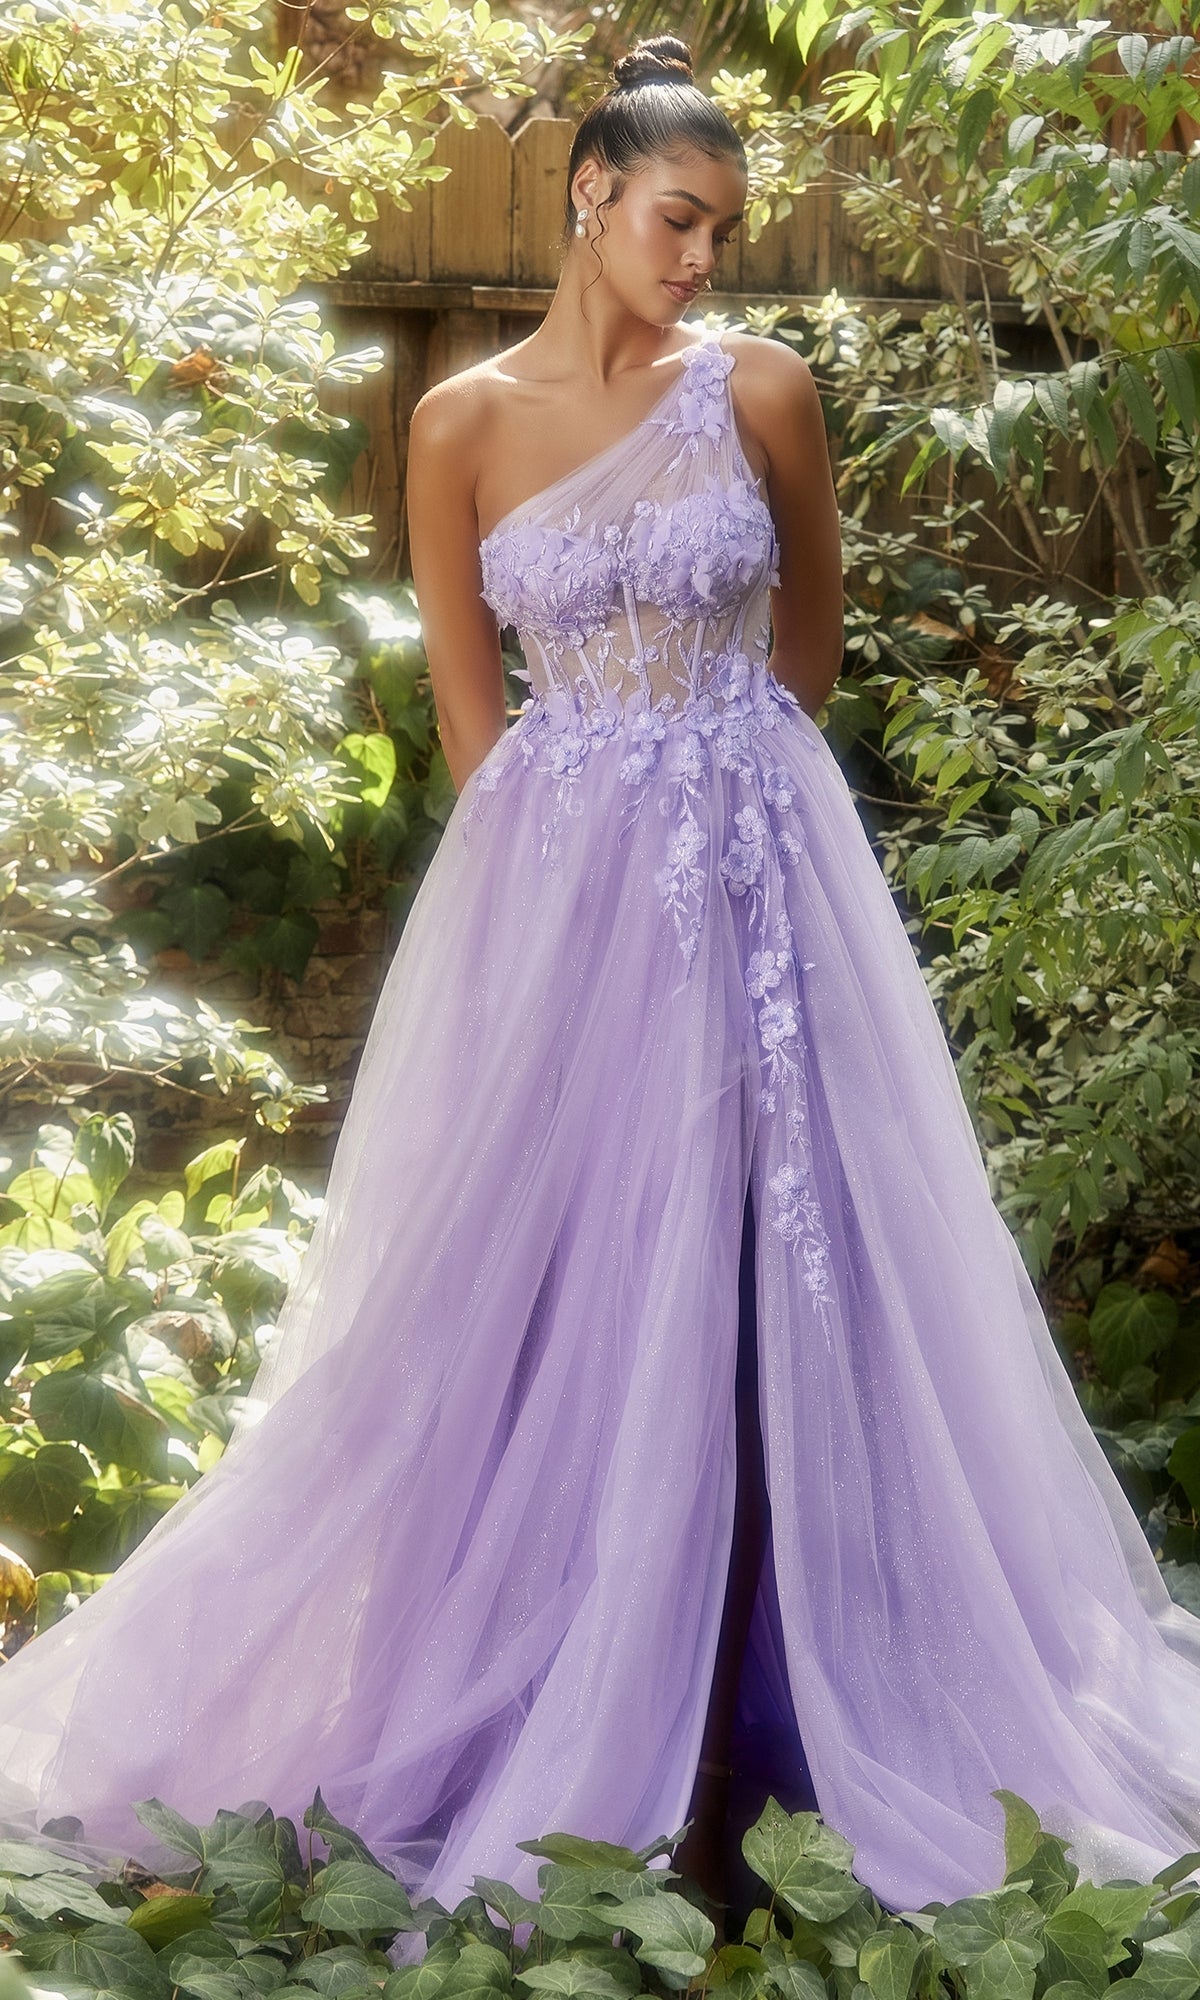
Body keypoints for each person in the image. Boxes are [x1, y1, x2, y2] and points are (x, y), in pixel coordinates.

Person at [2, 33, 1200, 1945]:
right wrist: (576, 918)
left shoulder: (767, 393)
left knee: (770, 1269)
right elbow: (479, 736)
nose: (705, 258)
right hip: (558, 908)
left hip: (761, 873)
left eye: (724, 230)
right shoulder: (460, 420)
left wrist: (702, 793)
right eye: (677, 219)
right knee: (536, 1287)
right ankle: (544, 1684)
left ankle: (776, 1725)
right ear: (590, 199)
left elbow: (802, 655)